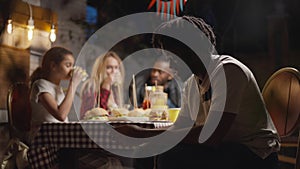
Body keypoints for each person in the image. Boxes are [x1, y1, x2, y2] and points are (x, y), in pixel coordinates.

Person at [117, 16, 280, 169]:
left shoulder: (228, 71)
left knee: (171, 157)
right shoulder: (191, 84)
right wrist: (147, 139)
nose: (169, 64)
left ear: (192, 49)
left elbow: (212, 135)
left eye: (172, 56)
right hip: (223, 148)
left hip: (254, 153)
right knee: (144, 153)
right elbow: (180, 128)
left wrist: (143, 133)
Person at [30, 46, 86, 130]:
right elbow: (61, 115)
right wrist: (73, 84)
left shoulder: (58, 88)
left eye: (72, 66)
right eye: (68, 65)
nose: (72, 69)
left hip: (59, 133)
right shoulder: (41, 84)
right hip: (44, 136)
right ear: (53, 66)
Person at [80, 51, 125, 119]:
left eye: (116, 68)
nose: (113, 71)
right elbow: (88, 115)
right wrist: (106, 85)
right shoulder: (91, 85)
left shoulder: (115, 89)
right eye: (109, 67)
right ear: (100, 68)